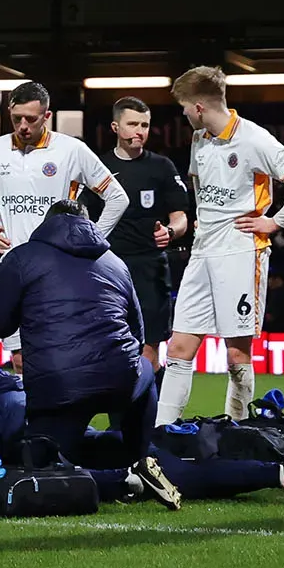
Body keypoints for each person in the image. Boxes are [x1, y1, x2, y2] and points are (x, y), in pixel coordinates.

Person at [0, 343, 284, 506]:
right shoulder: (19, 385)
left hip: (79, 458)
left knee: (177, 477)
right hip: (105, 434)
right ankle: (277, 469)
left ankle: (279, 475)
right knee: (173, 459)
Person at [154, 67, 284, 427]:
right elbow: (202, 188)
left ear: (198, 106)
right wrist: (204, 219)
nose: (182, 115)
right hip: (202, 253)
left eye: (184, 107)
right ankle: (160, 435)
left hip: (241, 253)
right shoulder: (201, 139)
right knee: (180, 347)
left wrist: (275, 221)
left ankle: (238, 432)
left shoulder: (254, 139)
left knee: (236, 352)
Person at [0, 199, 159, 504]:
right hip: (119, 380)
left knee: (43, 467)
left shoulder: (22, 257)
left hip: (56, 386)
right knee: (146, 372)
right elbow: (137, 334)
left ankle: (114, 467)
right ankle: (137, 460)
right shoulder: (115, 262)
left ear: (47, 224)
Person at [0, 82, 128, 370]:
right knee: (20, 359)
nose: (23, 125)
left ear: (47, 116)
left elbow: (117, 198)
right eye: (17, 118)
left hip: (59, 269)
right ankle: (29, 417)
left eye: (32, 118)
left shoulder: (72, 150)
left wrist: (91, 241)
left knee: (59, 352)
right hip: (11, 265)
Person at [87, 97, 190, 366]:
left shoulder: (162, 167)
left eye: (144, 125)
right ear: (115, 127)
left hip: (149, 266)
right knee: (107, 343)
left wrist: (170, 231)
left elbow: (180, 218)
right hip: (108, 267)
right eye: (132, 124)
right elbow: (84, 219)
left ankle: (149, 407)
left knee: (148, 346)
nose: (139, 131)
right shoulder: (98, 168)